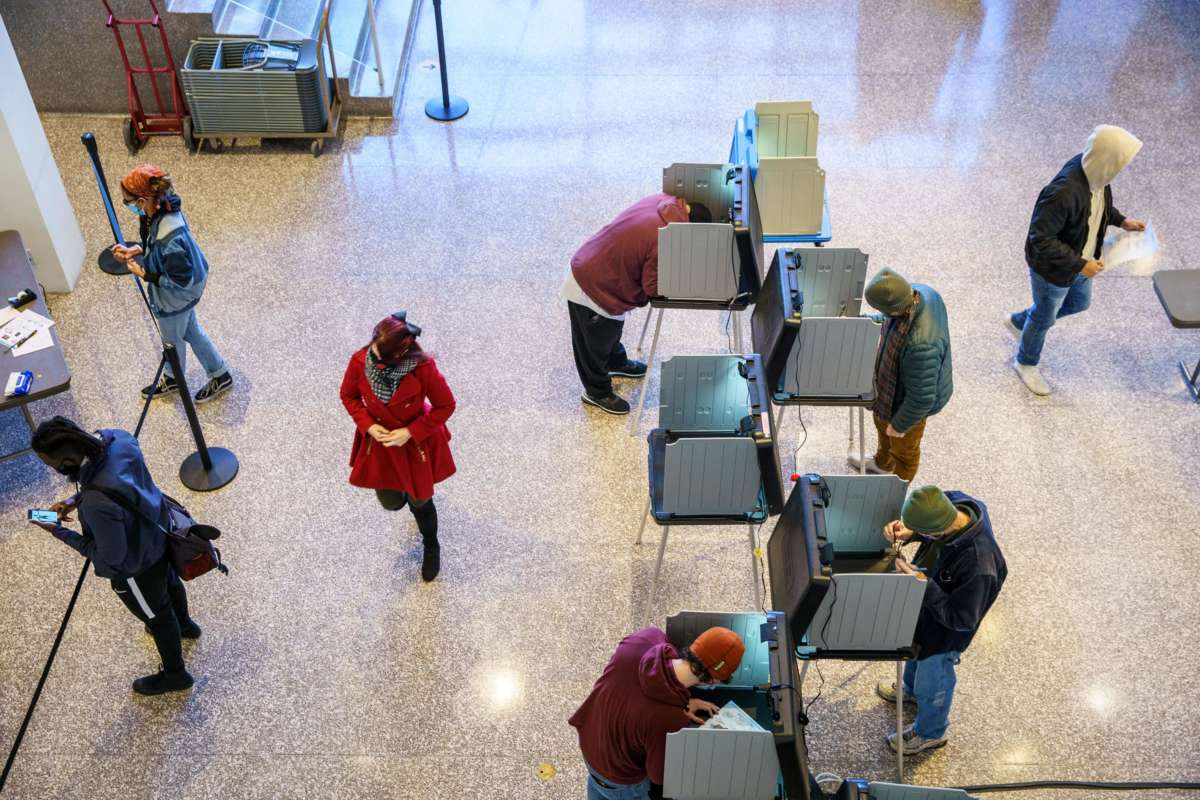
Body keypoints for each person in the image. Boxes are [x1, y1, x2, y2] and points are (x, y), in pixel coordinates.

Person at [29, 417, 200, 696]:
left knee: (157, 617)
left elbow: (111, 561)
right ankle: (186, 625)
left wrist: (57, 531)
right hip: (160, 534)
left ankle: (175, 675)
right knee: (169, 583)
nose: (51, 468)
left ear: (68, 460)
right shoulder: (120, 439)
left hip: (137, 567)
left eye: (50, 464)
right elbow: (120, 485)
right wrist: (75, 500)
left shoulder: (98, 503)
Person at [1008, 125, 1146, 396]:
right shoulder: (1062, 192)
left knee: (1079, 303)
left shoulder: (1097, 174)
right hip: (1055, 269)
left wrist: (1121, 221)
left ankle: (1023, 321)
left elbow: (1099, 204)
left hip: (1083, 257)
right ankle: (1026, 361)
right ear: (1107, 159)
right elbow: (1041, 239)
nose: (1122, 168)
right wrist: (1080, 264)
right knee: (1045, 316)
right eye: (1120, 162)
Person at [875, 485, 1007, 755]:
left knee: (932, 679)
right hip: (926, 614)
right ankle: (910, 691)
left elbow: (961, 618)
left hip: (947, 633)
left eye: (922, 532)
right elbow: (930, 517)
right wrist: (910, 531)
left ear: (938, 531)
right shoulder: (955, 504)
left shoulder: (979, 565)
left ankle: (931, 732)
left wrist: (923, 584)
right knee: (914, 654)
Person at [564, 194, 713, 415]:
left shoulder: (663, 201)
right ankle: (596, 392)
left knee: (611, 330)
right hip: (593, 284)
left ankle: (616, 361)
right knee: (594, 344)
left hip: (599, 260)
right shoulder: (665, 239)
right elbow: (652, 287)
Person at [339, 311, 455, 581]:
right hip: (381, 444)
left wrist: (411, 432)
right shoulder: (362, 359)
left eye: (380, 357)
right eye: (373, 349)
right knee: (390, 502)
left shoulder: (422, 368)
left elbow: (446, 405)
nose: (372, 358)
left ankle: (431, 544)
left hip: (415, 444)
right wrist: (367, 423)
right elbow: (348, 395)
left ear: (399, 357)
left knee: (421, 500)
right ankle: (408, 498)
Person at [569, 626, 745, 800]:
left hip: (590, 742)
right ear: (714, 679)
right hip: (620, 778)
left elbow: (638, 692)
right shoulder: (670, 719)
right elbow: (658, 776)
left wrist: (684, 702)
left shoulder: (648, 637)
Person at [110, 164, 233, 404]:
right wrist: (138, 249)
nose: (128, 206)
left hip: (177, 296)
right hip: (191, 285)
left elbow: (178, 280)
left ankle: (173, 377)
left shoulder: (170, 237)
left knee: (171, 342)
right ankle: (220, 374)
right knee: (191, 331)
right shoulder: (163, 208)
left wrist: (144, 273)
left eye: (129, 202)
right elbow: (155, 244)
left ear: (143, 199)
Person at [849, 267, 952, 481]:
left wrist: (900, 425)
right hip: (894, 387)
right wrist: (864, 321)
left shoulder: (921, 345)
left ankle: (895, 493)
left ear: (894, 310)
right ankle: (882, 464)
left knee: (904, 452)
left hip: (911, 406)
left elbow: (921, 398)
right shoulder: (919, 292)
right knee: (882, 428)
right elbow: (886, 318)